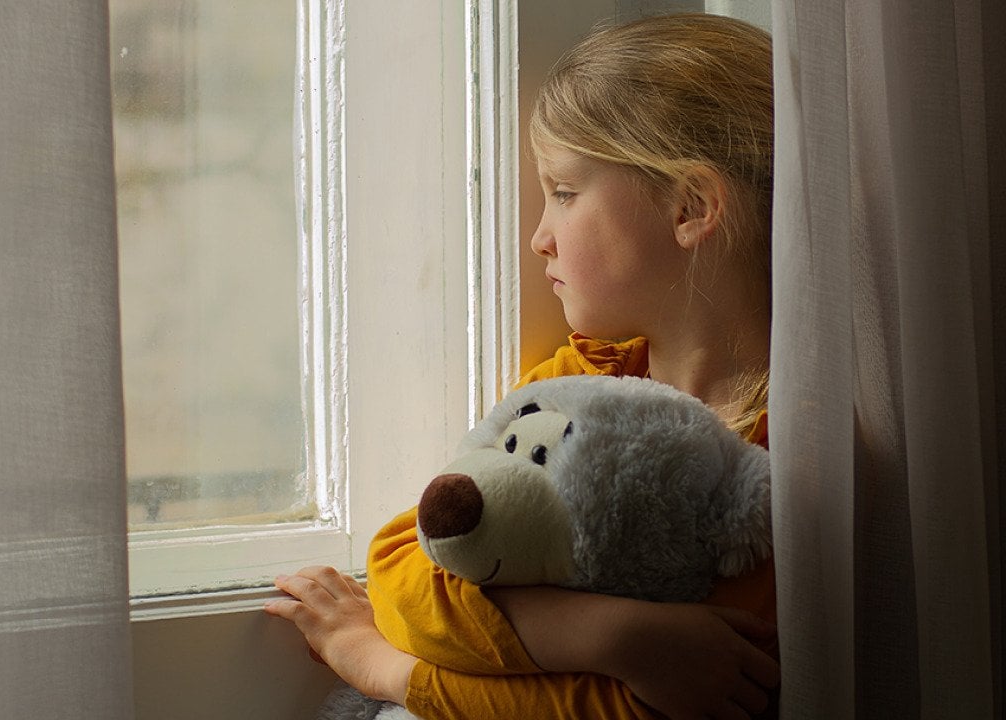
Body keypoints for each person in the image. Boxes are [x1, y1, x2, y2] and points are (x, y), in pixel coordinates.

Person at [265, 13, 777, 719]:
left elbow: (638, 710)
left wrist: (380, 666)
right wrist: (615, 633)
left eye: (564, 193)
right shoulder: (581, 386)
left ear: (690, 206)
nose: (540, 238)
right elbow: (409, 566)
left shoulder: (786, 463)